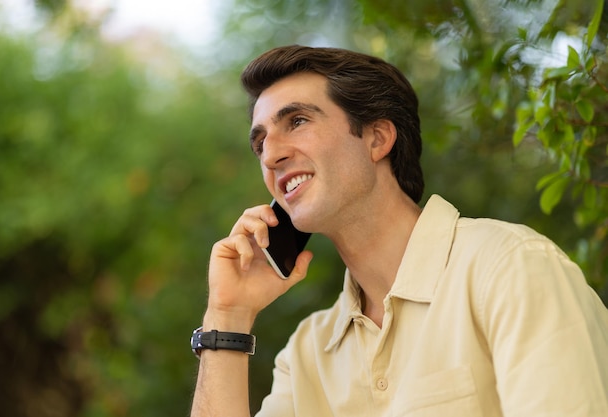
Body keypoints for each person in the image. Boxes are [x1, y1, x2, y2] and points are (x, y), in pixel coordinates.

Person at [189, 45, 608, 417]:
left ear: (377, 138)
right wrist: (228, 316)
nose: (272, 154)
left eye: (297, 121)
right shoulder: (306, 355)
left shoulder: (509, 268)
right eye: (260, 143)